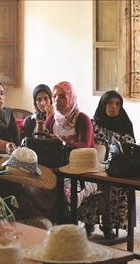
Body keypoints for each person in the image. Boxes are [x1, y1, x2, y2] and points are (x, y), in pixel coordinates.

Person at [77, 90, 135, 239]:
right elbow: (88, 145)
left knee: (113, 186)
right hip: (95, 169)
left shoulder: (125, 124)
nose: (114, 107)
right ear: (103, 104)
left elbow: (130, 148)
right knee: (93, 183)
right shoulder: (93, 124)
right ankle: (89, 223)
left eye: (117, 104)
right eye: (110, 103)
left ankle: (108, 224)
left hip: (117, 171)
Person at [45, 81, 96, 233]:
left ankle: (68, 232)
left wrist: (61, 143)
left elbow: (85, 147)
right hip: (58, 169)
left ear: (71, 97)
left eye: (62, 97)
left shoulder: (82, 120)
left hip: (82, 172)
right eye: (54, 97)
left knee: (64, 192)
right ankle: (51, 228)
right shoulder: (51, 120)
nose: (56, 101)